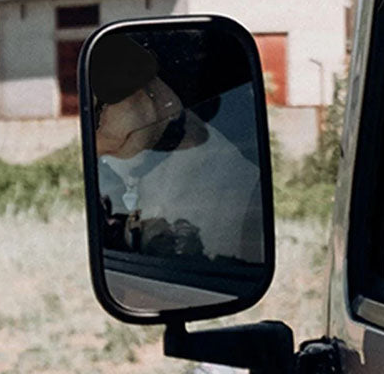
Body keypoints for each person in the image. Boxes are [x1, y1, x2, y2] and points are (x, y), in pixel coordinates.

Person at [91, 34, 264, 264]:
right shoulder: (118, 167)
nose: (89, 127)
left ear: (152, 96)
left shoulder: (229, 180)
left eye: (98, 110)